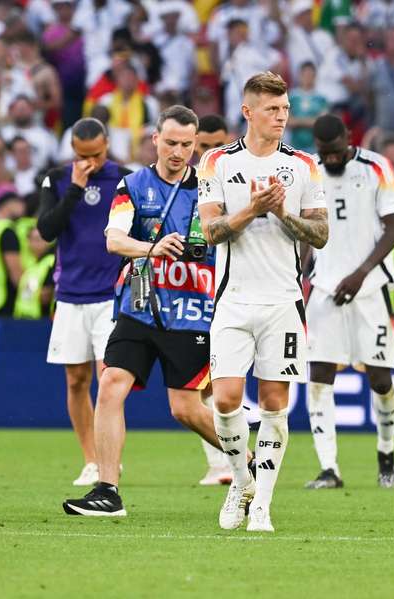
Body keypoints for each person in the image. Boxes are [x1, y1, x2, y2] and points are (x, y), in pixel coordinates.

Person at [63, 105, 226, 517]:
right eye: (171, 142)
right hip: (139, 306)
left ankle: (254, 462)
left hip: (190, 311)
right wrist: (151, 248)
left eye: (187, 145)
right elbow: (114, 239)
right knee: (111, 382)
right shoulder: (132, 185)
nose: (178, 152)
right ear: (155, 139)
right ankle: (107, 490)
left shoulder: (211, 189)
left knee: (185, 408)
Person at [197, 71, 328, 532]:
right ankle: (240, 480)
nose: (282, 117)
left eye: (286, 109)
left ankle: (263, 505)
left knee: (274, 403)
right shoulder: (214, 162)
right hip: (232, 301)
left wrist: (281, 212)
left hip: (283, 303)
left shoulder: (304, 166)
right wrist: (252, 210)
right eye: (272, 110)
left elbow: (321, 234)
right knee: (227, 400)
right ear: (248, 111)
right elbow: (210, 232)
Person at [303, 114, 394, 490]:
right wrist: (300, 274)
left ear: (349, 138)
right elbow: (304, 228)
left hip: (370, 288)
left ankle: (386, 450)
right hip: (324, 289)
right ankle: (329, 468)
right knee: (319, 377)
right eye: (324, 153)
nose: (330, 160)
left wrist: (361, 272)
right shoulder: (308, 169)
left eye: (336, 151)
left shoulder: (377, 167)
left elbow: (393, 230)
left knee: (379, 379)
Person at [38, 118, 132, 486]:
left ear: (106, 145)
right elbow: (46, 230)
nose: (89, 162)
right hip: (70, 295)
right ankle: (91, 459)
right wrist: (75, 189)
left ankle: (110, 461)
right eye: (81, 155)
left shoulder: (125, 179)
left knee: (108, 379)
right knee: (76, 380)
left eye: (95, 155)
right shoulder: (57, 180)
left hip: (110, 296)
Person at [193, 112, 234, 487]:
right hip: (189, 297)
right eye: (201, 146)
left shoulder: (238, 182)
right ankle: (223, 460)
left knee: (220, 379)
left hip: (229, 293)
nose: (207, 153)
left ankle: (228, 461)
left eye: (214, 145)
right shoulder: (184, 186)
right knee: (199, 384)